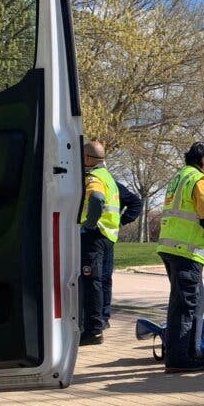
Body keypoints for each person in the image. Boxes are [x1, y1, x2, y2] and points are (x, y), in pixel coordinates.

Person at [155, 142, 204, 372]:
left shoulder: (179, 177)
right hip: (188, 250)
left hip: (172, 246)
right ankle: (178, 358)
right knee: (186, 305)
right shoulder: (200, 180)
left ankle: (191, 351)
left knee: (190, 302)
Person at [78, 141, 121, 345]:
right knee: (102, 280)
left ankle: (93, 330)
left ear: (87, 158)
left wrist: (88, 223)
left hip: (95, 235)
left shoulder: (94, 177)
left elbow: (95, 198)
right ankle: (101, 322)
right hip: (109, 236)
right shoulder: (109, 177)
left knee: (91, 281)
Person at [101, 180, 143, 328]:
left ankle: (102, 317)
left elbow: (136, 203)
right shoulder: (109, 181)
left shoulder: (107, 182)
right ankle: (102, 317)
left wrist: (120, 221)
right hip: (104, 237)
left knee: (102, 279)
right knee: (102, 279)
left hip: (102, 237)